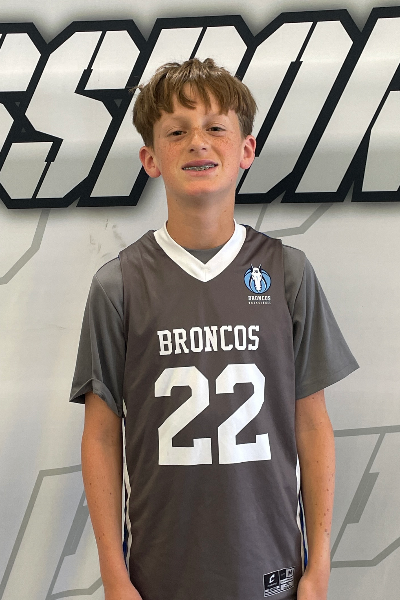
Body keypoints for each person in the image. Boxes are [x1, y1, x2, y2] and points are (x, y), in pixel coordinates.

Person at [70, 58, 359, 600]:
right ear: (151, 159)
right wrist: (113, 572)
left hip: (272, 569)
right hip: (159, 574)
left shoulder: (287, 273)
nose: (197, 142)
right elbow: (102, 434)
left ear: (246, 150)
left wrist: (319, 564)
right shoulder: (118, 284)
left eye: (215, 127)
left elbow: (312, 423)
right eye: (176, 132)